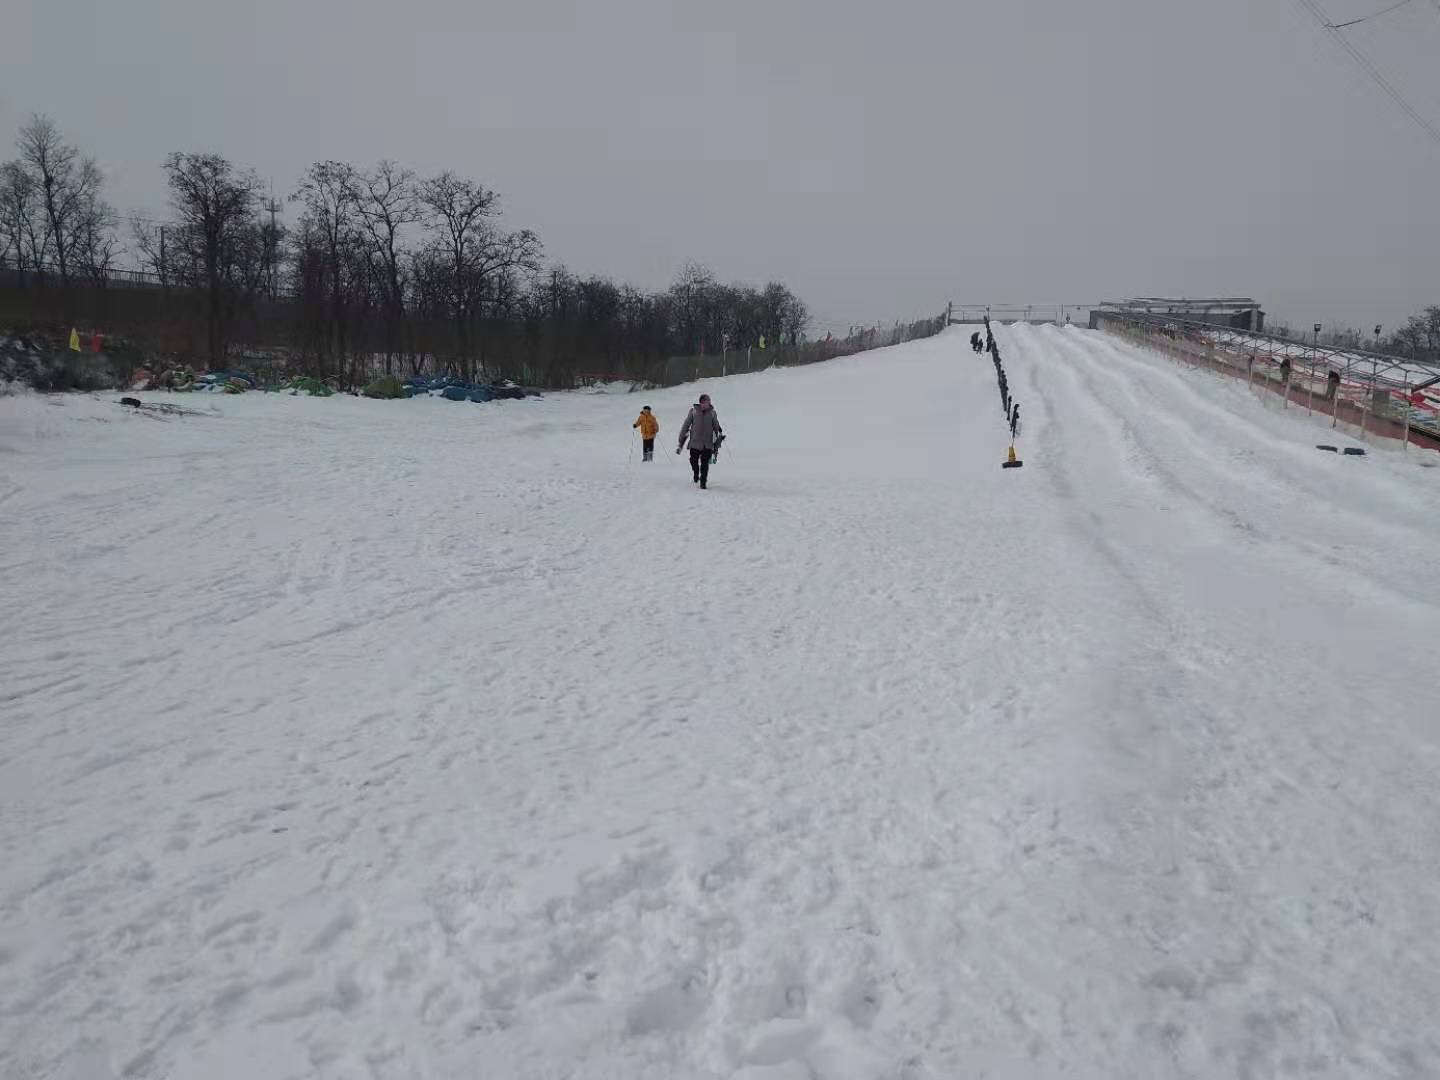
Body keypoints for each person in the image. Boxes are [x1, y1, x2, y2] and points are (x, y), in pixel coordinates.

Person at [677, 393, 722, 489]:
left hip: (707, 443)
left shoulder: (712, 413)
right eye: (707, 402)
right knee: (693, 461)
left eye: (709, 402)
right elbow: (686, 426)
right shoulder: (693, 412)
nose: (709, 404)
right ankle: (696, 472)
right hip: (695, 442)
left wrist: (718, 432)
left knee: (705, 463)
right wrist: (681, 440)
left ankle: (703, 482)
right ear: (701, 403)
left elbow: (716, 425)